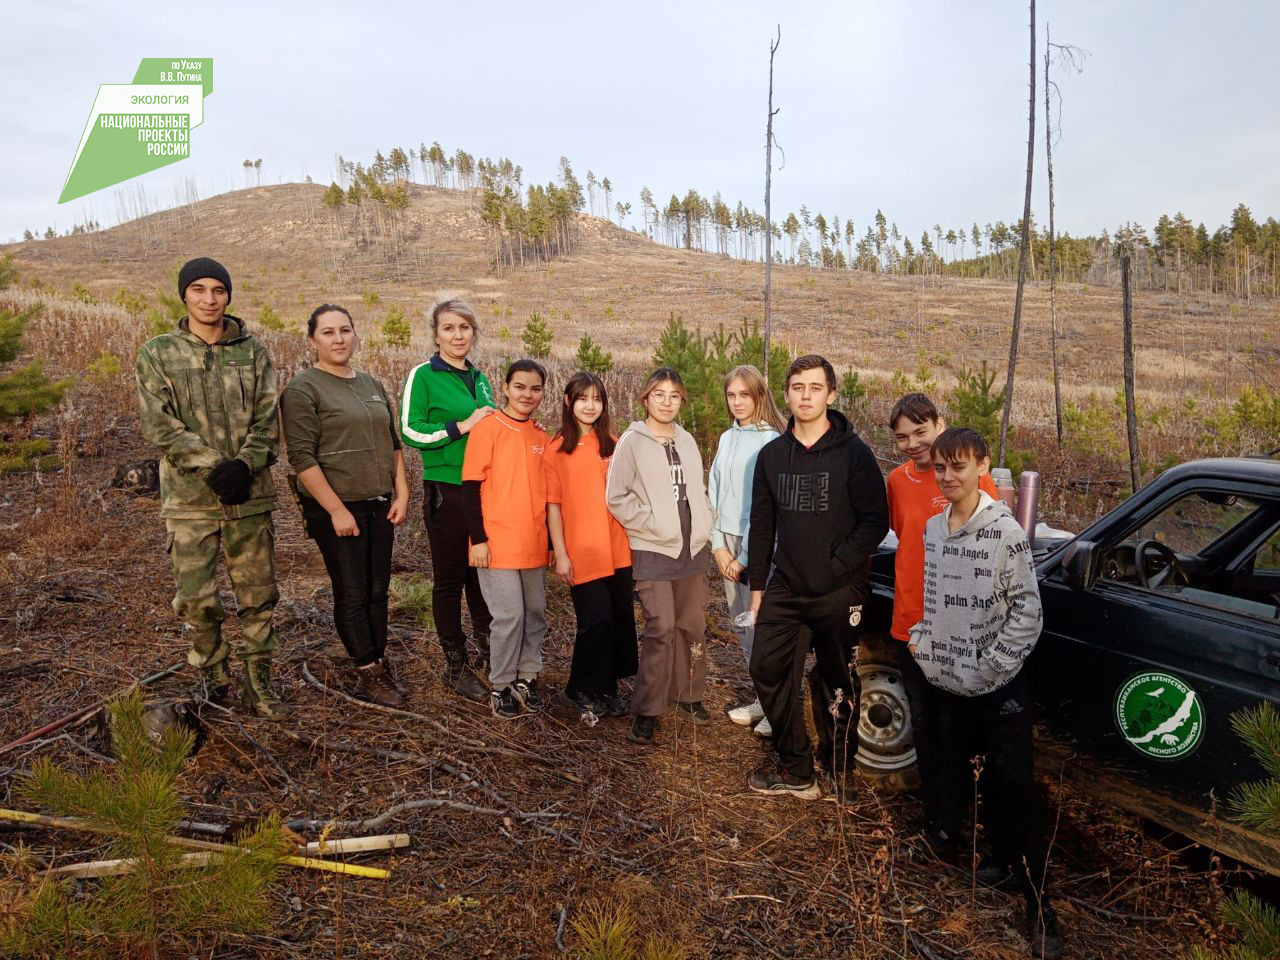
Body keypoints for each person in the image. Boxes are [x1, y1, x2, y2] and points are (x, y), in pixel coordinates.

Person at [908, 427, 1061, 959]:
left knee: (1013, 791)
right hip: (950, 683)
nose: (949, 477)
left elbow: (1028, 612)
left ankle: (1041, 908)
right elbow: (932, 599)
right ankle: (990, 863)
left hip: (1000, 691)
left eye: (960, 467)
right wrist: (926, 646)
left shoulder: (1004, 533)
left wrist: (991, 667)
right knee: (958, 779)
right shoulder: (932, 528)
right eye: (941, 468)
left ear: (982, 466)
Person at [135, 257, 288, 718]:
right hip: (190, 501)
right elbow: (158, 424)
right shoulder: (159, 353)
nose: (209, 299)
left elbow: (268, 415)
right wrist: (212, 468)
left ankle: (259, 683)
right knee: (197, 599)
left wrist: (244, 465)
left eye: (218, 289)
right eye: (198, 289)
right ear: (184, 295)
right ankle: (214, 677)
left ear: (228, 295)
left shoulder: (252, 351)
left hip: (249, 495)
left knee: (258, 594)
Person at [746, 355, 889, 798]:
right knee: (766, 667)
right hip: (786, 586)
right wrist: (757, 589)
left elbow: (874, 521)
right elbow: (763, 526)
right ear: (786, 394)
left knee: (838, 681)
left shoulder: (854, 454)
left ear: (831, 394)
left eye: (814, 387)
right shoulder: (771, 456)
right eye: (797, 387)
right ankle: (797, 767)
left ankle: (838, 769)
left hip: (838, 590)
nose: (805, 396)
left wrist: (834, 567)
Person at [281, 305, 410, 707]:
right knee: (352, 592)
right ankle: (367, 671)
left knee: (377, 590)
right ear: (312, 340)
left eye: (345, 330)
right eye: (328, 333)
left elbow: (393, 444)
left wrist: (402, 492)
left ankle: (379, 659)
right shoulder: (303, 389)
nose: (338, 339)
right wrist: (336, 510)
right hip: (337, 508)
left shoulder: (370, 383)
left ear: (355, 335)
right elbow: (302, 458)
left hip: (378, 504)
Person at [886, 393, 998, 848]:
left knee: (961, 728)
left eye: (921, 432)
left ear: (940, 424)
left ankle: (971, 823)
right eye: (902, 437)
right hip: (909, 623)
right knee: (926, 727)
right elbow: (902, 534)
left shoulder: (969, 478)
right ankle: (938, 824)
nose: (913, 444)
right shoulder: (896, 480)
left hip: (956, 627)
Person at [606, 367, 714, 746]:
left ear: (681, 400)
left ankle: (688, 694)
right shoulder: (632, 441)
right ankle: (649, 709)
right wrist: (649, 524)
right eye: (659, 395)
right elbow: (616, 496)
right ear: (646, 399)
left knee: (691, 624)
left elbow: (697, 490)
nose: (666, 402)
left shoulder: (686, 440)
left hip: (692, 548)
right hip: (654, 548)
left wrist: (706, 522)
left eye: (674, 395)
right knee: (662, 627)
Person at [400, 298, 496, 702]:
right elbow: (409, 430)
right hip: (447, 489)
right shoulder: (423, 375)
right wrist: (461, 425)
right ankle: (455, 666)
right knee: (450, 579)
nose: (458, 335)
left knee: (481, 574)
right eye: (449, 328)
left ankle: (489, 649)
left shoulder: (480, 377)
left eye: (465, 328)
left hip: (484, 490)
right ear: (435, 334)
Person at [461, 359, 551, 719]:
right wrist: (478, 539)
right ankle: (500, 684)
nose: (527, 394)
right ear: (506, 388)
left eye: (535, 388)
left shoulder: (541, 436)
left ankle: (527, 677)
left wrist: (549, 544)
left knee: (534, 613)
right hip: (495, 544)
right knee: (508, 616)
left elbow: (545, 495)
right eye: (520, 387)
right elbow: (470, 488)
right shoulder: (488, 428)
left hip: (533, 543)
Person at [546, 372, 637, 717]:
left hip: (618, 548)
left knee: (618, 619)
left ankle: (607, 686)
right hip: (582, 550)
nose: (590, 405)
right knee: (595, 621)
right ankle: (576, 688)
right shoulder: (557, 449)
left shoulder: (614, 443)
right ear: (569, 401)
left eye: (597, 399)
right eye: (582, 398)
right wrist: (561, 555)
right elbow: (553, 506)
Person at [708, 365, 783, 737]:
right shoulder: (726, 438)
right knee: (744, 629)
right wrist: (718, 547)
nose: (737, 402)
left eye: (744, 395)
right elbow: (714, 495)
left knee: (764, 626)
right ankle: (761, 698)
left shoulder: (772, 441)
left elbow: (765, 507)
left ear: (759, 396)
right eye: (731, 395)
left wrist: (746, 558)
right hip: (728, 543)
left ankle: (777, 707)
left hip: (759, 546)